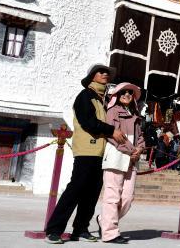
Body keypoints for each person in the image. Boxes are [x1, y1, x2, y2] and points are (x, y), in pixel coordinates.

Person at [45, 65, 127, 245]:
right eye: (101, 72)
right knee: (75, 188)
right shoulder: (85, 96)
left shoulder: (104, 100)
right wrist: (111, 131)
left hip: (102, 152)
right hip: (86, 150)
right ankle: (54, 230)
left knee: (92, 192)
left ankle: (81, 228)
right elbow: (88, 122)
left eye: (107, 73)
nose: (105, 74)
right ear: (92, 76)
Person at [100, 82, 145, 244]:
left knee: (127, 198)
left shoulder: (136, 115)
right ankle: (109, 233)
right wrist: (132, 150)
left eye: (130, 93)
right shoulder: (112, 111)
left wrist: (140, 149)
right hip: (116, 157)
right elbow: (112, 136)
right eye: (123, 92)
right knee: (112, 196)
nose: (127, 95)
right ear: (117, 95)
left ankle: (103, 220)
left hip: (131, 160)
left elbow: (140, 137)